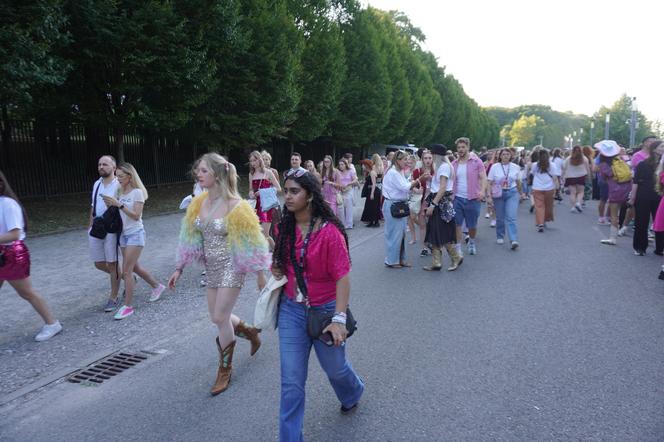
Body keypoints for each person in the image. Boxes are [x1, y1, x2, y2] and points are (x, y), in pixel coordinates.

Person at [271, 169, 364, 441]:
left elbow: (342, 278)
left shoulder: (330, 233)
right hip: (291, 311)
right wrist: (277, 269)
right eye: (285, 191)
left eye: (294, 191)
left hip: (326, 311)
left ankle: (352, 391)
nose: (287, 196)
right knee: (291, 383)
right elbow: (282, 263)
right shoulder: (284, 228)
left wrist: (339, 318)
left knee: (335, 369)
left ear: (310, 195)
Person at [169, 153, 269, 395]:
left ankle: (224, 370)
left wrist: (259, 274)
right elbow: (189, 236)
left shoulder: (237, 205)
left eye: (203, 170)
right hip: (210, 268)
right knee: (217, 316)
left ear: (217, 174)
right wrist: (179, 267)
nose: (198, 174)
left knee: (219, 317)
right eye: (198, 171)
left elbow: (254, 241)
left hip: (232, 267)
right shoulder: (198, 202)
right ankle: (250, 331)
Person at [0, 170, 63, 341]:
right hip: (2, 251)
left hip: (12, 253)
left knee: (26, 292)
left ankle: (52, 323)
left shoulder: (7, 204)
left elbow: (15, 234)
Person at [101, 163, 165, 319]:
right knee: (135, 267)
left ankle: (128, 306)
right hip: (122, 234)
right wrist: (110, 204)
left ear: (130, 177)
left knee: (127, 271)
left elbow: (136, 215)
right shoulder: (119, 191)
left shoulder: (137, 193)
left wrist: (119, 204)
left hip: (135, 234)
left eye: (121, 176)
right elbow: (118, 212)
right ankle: (157, 286)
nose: (118, 179)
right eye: (117, 176)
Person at [381, 150, 428, 268]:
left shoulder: (399, 171)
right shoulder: (393, 173)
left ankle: (400, 259)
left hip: (398, 204)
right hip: (393, 205)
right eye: (405, 160)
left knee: (401, 234)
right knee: (394, 234)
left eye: (407, 159)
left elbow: (405, 184)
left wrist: (413, 181)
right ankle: (392, 261)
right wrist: (419, 179)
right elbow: (405, 187)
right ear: (398, 160)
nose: (407, 162)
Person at [88, 155, 122, 311]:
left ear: (114, 168)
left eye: (105, 164)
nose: (101, 167)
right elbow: (93, 206)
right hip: (96, 227)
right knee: (98, 263)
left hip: (111, 228)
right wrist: (90, 225)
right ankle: (125, 277)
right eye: (99, 164)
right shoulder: (97, 184)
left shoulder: (119, 185)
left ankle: (113, 297)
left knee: (112, 263)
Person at [423, 145, 462, 271]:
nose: (431, 157)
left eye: (432, 154)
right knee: (434, 231)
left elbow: (443, 188)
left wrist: (433, 205)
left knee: (442, 231)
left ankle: (455, 257)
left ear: (437, 155)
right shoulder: (442, 166)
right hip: (441, 202)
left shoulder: (444, 167)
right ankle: (437, 262)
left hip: (440, 203)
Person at [248, 150, 282, 290]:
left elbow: (278, 188)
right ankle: (263, 257)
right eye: (251, 160)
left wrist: (262, 192)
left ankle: (278, 253)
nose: (253, 162)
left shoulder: (268, 173)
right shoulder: (251, 174)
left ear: (260, 160)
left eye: (255, 160)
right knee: (256, 234)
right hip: (256, 206)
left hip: (266, 206)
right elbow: (250, 189)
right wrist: (251, 192)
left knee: (265, 234)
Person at [451, 137, 487, 256]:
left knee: (472, 225)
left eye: (463, 147)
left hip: (473, 198)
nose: (461, 149)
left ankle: (471, 241)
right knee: (457, 224)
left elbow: (483, 177)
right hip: (457, 198)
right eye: (459, 147)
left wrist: (482, 191)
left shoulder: (477, 162)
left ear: (468, 148)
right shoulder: (454, 164)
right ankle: (458, 247)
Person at [630, 140, 664, 255]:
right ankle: (640, 247)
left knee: (660, 222)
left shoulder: (663, 164)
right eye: (661, 146)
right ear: (654, 149)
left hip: (660, 196)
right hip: (643, 195)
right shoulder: (642, 164)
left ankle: (660, 248)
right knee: (641, 222)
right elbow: (636, 182)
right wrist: (632, 197)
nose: (663, 148)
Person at [596, 140, 632, 245]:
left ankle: (613, 238)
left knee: (614, 215)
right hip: (627, 187)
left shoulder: (603, 164)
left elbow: (604, 177)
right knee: (627, 209)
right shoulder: (620, 159)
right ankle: (624, 227)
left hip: (615, 190)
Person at [487, 148, 524, 249]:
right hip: (499, 193)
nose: (506, 156)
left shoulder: (516, 167)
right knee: (500, 217)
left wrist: (521, 193)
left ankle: (513, 239)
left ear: (511, 156)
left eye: (508, 154)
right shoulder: (495, 167)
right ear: (500, 156)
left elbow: (518, 182)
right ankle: (500, 235)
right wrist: (489, 196)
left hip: (512, 193)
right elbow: (489, 182)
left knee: (511, 217)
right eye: (503, 154)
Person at [530, 149, 561, 232]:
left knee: (539, 206)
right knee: (548, 206)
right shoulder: (552, 165)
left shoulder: (534, 165)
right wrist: (557, 188)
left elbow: (532, 174)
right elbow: (555, 178)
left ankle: (540, 223)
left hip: (537, 187)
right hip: (549, 188)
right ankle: (544, 220)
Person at [562, 145, 591, 213]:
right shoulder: (584, 159)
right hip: (581, 177)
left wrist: (563, 176)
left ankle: (573, 207)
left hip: (570, 177)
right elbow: (587, 169)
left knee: (573, 193)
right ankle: (578, 203)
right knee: (581, 192)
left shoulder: (568, 158)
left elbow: (564, 168)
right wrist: (589, 177)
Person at [361, 154, 383, 227]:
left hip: (374, 191)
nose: (363, 166)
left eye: (364, 165)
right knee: (370, 207)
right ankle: (371, 221)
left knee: (374, 207)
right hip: (373, 190)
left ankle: (376, 222)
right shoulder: (372, 171)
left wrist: (372, 193)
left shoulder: (373, 172)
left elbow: (374, 184)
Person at [337, 158, 358, 229]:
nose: (341, 166)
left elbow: (355, 180)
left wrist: (348, 183)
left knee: (348, 206)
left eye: (342, 164)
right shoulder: (338, 172)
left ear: (346, 165)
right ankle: (342, 223)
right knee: (341, 207)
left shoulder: (350, 171)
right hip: (341, 190)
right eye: (339, 165)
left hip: (349, 190)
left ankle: (349, 224)